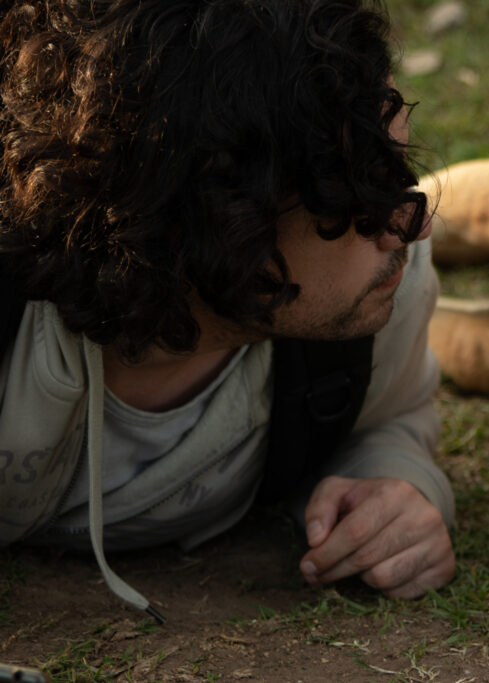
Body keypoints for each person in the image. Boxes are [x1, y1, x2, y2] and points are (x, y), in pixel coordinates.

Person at [0, 0, 455, 621]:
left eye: (400, 173)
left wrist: (395, 478)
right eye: (361, 199)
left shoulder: (376, 299)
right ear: (225, 222)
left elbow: (393, 415)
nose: (411, 226)